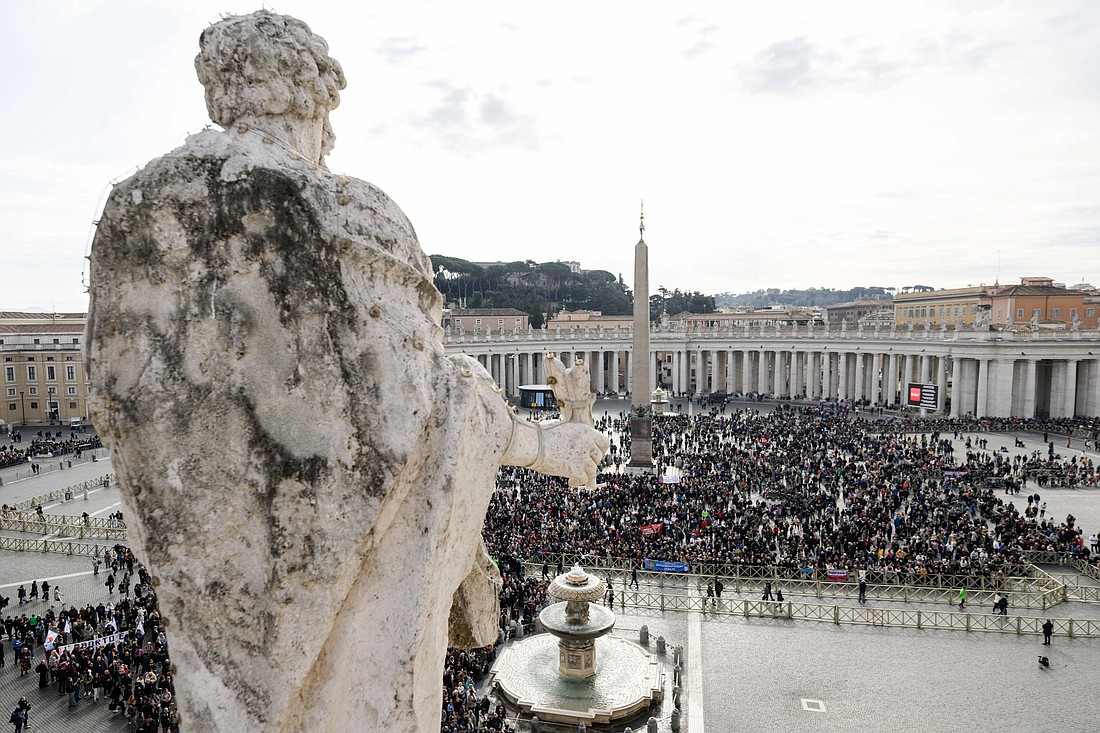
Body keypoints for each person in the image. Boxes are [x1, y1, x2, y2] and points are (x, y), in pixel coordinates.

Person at [85, 11, 608, 732]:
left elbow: (116, 407)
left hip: (218, 614)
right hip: (359, 624)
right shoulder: (348, 216)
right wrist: (549, 444)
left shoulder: (131, 220)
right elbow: (430, 406)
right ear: (313, 102)